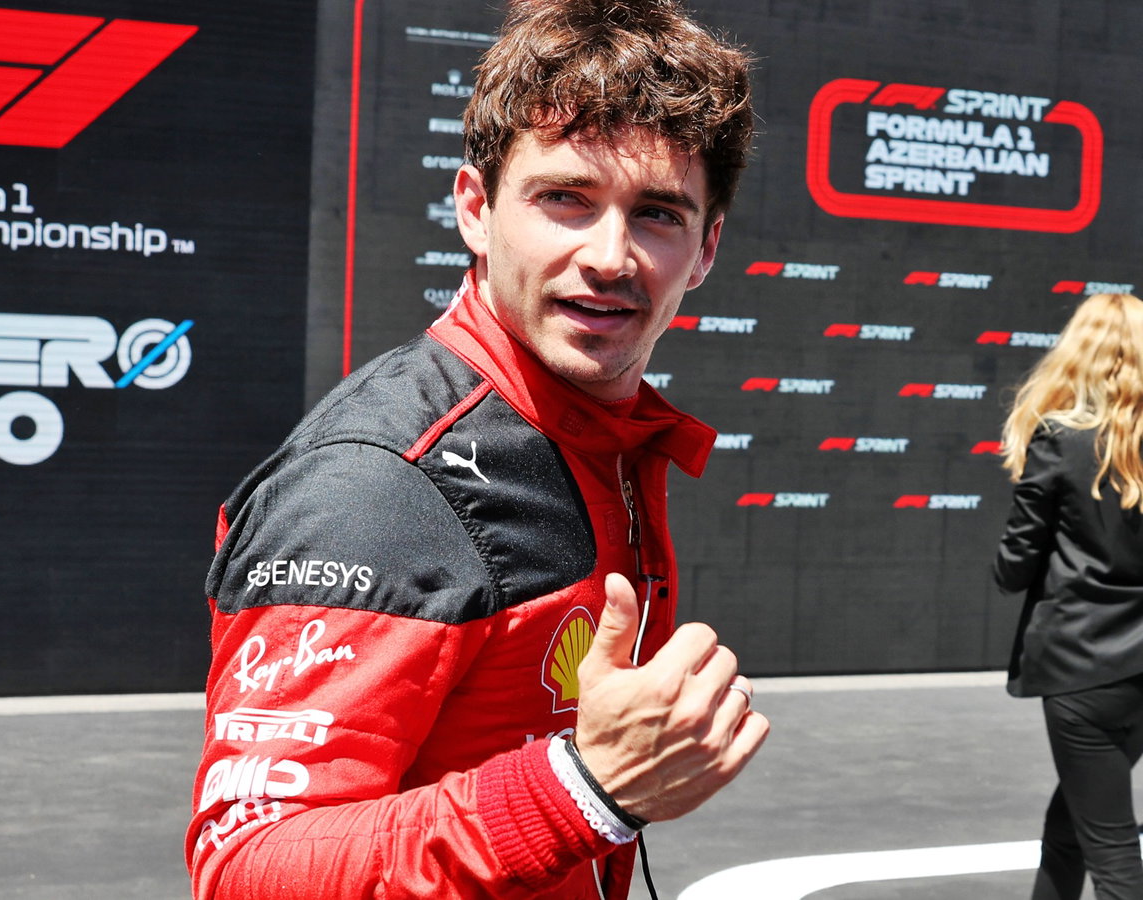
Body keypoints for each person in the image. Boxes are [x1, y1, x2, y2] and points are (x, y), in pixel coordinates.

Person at [186, 2, 767, 897]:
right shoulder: (379, 488)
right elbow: (248, 871)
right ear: (474, 208)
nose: (610, 256)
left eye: (656, 213)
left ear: (705, 249)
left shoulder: (595, 438)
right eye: (564, 198)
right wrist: (583, 790)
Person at [995, 291, 1143, 900]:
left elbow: (1012, 568)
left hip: (1083, 667)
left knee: (1111, 855)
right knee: (1070, 830)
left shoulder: (1061, 439)